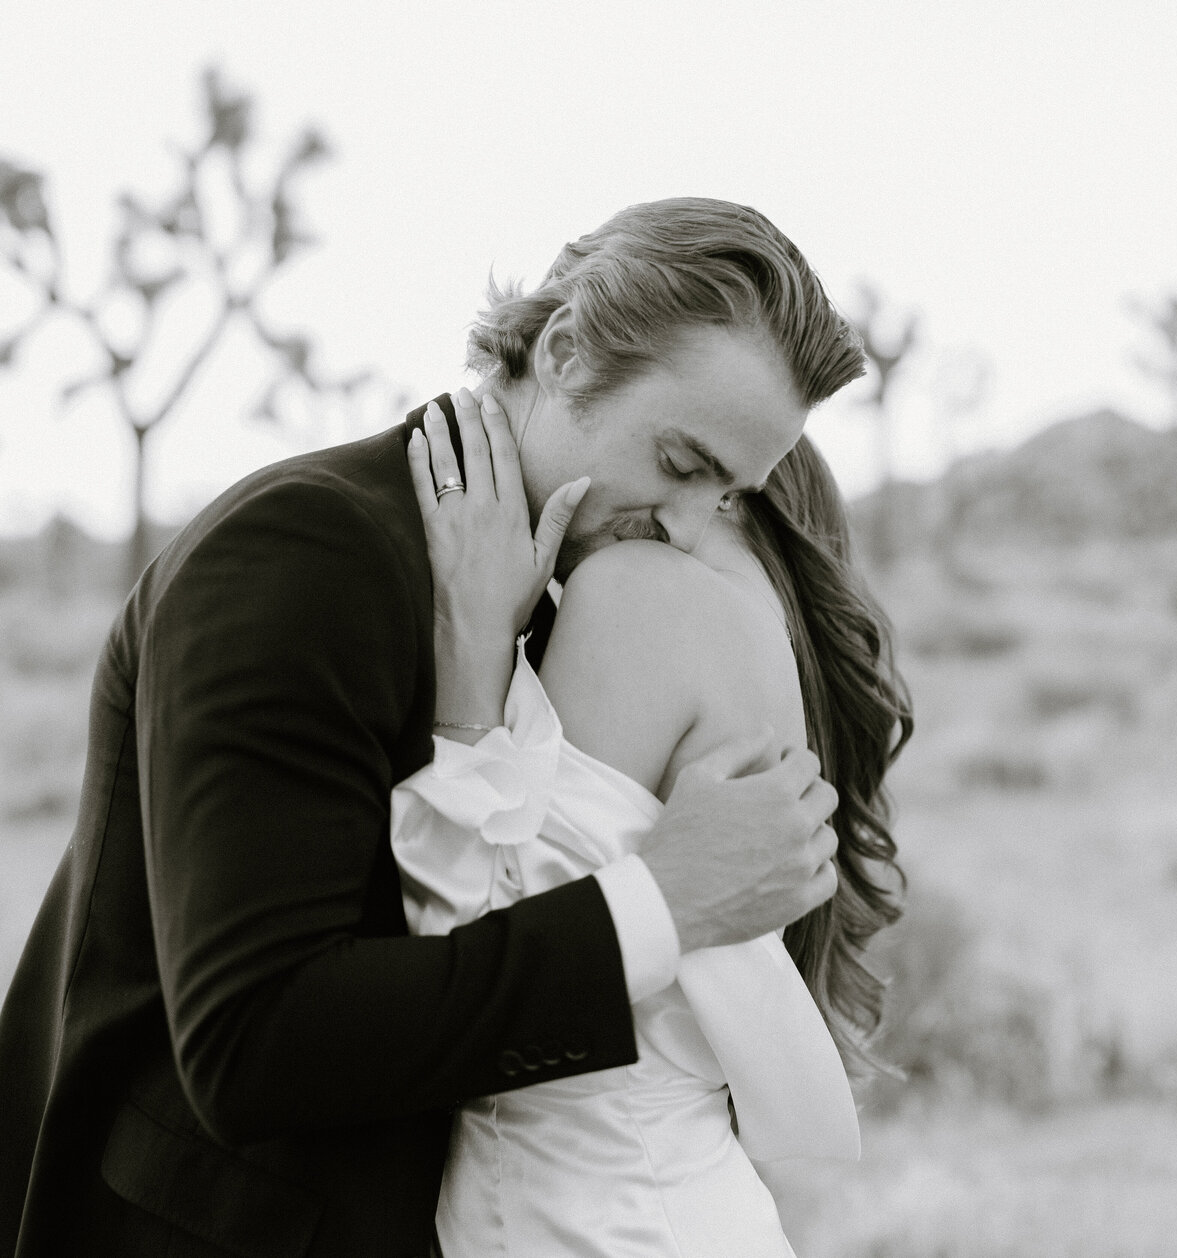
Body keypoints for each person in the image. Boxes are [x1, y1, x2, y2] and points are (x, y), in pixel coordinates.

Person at [0, 197, 865, 1258]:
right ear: (563, 349)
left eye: (728, 494)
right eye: (682, 464)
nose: (687, 525)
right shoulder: (300, 551)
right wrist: (661, 902)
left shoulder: (573, 587)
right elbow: (253, 1040)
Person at [392, 400, 911, 1255]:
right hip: (681, 1199)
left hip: (580, 1218)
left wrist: (471, 653)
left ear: (735, 495)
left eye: (683, 467)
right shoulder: (767, 649)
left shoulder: (643, 593)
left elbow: (472, 961)